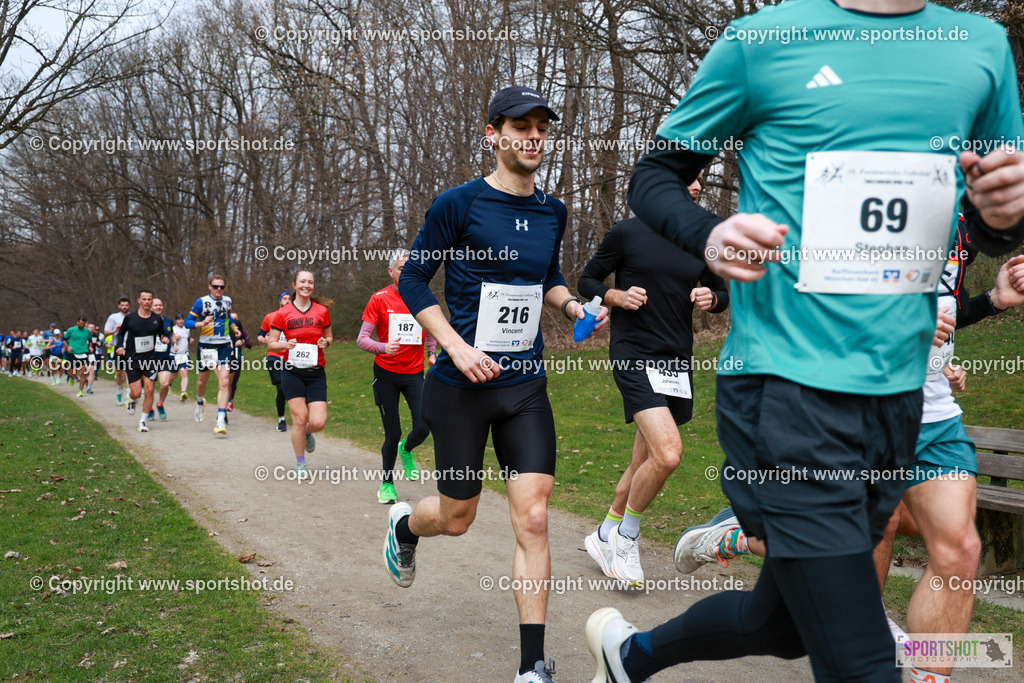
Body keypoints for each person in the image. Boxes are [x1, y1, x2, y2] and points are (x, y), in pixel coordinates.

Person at [584, 0, 1024, 679]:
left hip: (900, 400)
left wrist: (1002, 218)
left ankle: (629, 654)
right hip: (784, 394)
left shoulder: (981, 47)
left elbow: (992, 218)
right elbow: (654, 175)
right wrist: (707, 233)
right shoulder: (763, 42)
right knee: (864, 663)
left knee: (783, 621)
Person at [384, 86, 606, 683]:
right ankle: (405, 526)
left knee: (533, 517)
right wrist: (454, 344)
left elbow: (548, 277)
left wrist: (572, 308)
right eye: (521, 125)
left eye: (542, 127)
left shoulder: (553, 211)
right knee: (458, 517)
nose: (534, 136)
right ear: (493, 134)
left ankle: (532, 666)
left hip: (525, 384)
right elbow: (413, 281)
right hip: (460, 385)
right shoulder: (457, 204)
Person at [577, 173, 729, 586]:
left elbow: (722, 293)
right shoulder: (626, 233)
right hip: (634, 353)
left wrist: (710, 298)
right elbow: (586, 280)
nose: (697, 187)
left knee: (643, 460)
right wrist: (615, 297)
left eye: (700, 181)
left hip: (676, 361)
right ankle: (627, 536)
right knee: (668, 454)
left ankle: (606, 530)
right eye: (689, 180)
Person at [358, 249, 436, 504]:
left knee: (424, 427)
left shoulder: (422, 295)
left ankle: (408, 449)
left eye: (410, 267)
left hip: (414, 373)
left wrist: (432, 353)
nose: (406, 271)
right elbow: (362, 339)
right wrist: (383, 347)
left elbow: (432, 327)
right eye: (401, 267)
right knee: (392, 433)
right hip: (386, 374)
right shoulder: (378, 299)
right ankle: (387, 485)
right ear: (391, 271)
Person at [265, 270, 332, 481]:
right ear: (294, 284)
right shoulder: (283, 313)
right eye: (302, 281)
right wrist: (285, 344)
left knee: (318, 421)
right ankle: (300, 462)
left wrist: (326, 342)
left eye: (310, 282)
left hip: (315, 372)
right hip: (291, 372)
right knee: (300, 418)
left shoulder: (322, 311)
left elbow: (329, 335)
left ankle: (308, 434)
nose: (306, 285)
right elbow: (272, 343)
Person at [185, 275, 241, 435]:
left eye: (221, 287)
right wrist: (201, 323)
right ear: (210, 286)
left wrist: (234, 328)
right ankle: (200, 401)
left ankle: (221, 419)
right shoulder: (201, 302)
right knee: (202, 381)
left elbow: (228, 316)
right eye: (215, 286)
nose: (219, 289)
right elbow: (188, 321)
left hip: (223, 346)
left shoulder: (227, 301)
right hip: (206, 347)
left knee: (224, 381)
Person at [115, 290, 169, 433]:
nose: (147, 302)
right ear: (139, 300)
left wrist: (164, 338)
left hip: (150, 359)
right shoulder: (130, 318)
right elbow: (121, 334)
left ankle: (143, 421)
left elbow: (162, 334)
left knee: (150, 389)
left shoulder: (157, 319)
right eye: (144, 299)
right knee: (137, 393)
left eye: (149, 299)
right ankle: (132, 400)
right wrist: (119, 346)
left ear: (152, 301)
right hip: (132, 359)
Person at [257, 292, 291, 432]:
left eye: (290, 299)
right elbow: (259, 335)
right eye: (285, 299)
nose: (288, 301)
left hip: (291, 357)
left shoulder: (296, 318)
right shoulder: (270, 317)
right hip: (274, 356)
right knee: (282, 387)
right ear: (279, 302)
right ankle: (281, 419)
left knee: (290, 389)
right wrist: (264, 339)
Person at [149, 299, 177, 421]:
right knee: (149, 387)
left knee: (165, 383)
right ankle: (149, 408)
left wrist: (174, 343)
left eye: (160, 305)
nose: (159, 307)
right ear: (150, 307)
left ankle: (160, 404)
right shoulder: (146, 321)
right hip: (149, 359)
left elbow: (171, 334)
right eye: (156, 305)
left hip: (164, 357)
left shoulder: (168, 321)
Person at [104, 298, 131, 405]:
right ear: (119, 306)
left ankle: (128, 395)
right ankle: (119, 392)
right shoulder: (113, 317)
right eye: (122, 305)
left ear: (129, 306)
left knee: (129, 372)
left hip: (130, 347)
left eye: (126, 305)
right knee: (120, 373)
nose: (124, 307)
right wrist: (115, 330)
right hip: (118, 347)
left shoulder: (132, 316)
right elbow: (106, 332)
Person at [226, 312, 252, 413]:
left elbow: (249, 344)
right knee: (226, 382)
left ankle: (230, 400)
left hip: (237, 360)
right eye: (232, 318)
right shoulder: (225, 331)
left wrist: (242, 341)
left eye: (236, 318)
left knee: (233, 382)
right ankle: (227, 403)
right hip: (226, 359)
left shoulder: (241, 331)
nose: (235, 320)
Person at [64, 316, 93, 398]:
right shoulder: (71, 330)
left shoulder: (87, 331)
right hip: (72, 353)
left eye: (83, 324)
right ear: (77, 322)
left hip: (83, 353)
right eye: (80, 324)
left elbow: (90, 340)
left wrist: (90, 347)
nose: (82, 326)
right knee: (73, 373)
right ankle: (71, 377)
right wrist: (67, 347)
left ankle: (80, 390)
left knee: (84, 372)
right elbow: (64, 339)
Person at [171, 314, 192, 401]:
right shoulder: (173, 329)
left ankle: (183, 393)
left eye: (182, 319)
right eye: (179, 320)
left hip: (184, 355)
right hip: (173, 355)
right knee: (173, 375)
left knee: (184, 373)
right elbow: (168, 340)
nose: (181, 321)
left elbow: (188, 337)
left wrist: (190, 339)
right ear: (176, 321)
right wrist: (175, 339)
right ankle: (167, 384)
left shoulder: (187, 328)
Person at [87, 323, 103, 393]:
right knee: (83, 371)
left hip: (91, 355)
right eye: (90, 327)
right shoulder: (84, 335)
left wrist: (99, 344)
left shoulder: (95, 336)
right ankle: (84, 380)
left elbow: (98, 343)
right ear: (87, 328)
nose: (92, 329)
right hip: (82, 354)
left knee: (92, 371)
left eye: (93, 327)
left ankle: (89, 388)